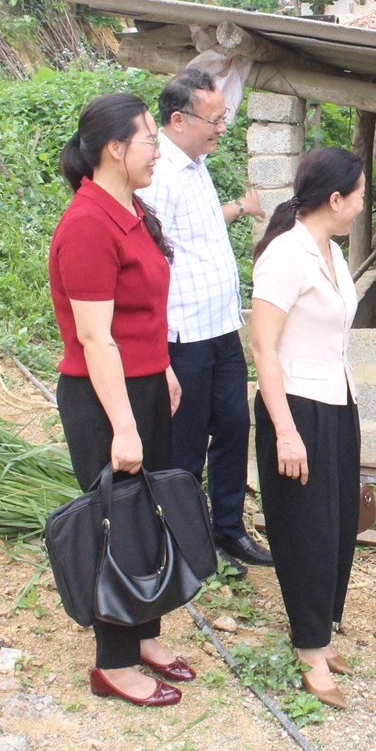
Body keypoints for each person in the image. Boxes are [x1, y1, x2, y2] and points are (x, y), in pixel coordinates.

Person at [49, 93, 195, 706]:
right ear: (115, 148)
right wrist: (124, 425)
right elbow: (93, 336)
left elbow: (141, 314)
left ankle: (143, 634)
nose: (157, 150)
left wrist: (159, 367)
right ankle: (113, 663)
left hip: (140, 383)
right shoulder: (87, 224)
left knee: (148, 512)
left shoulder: (128, 209)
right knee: (119, 523)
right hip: (102, 395)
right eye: (148, 140)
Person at [135, 68, 271, 575]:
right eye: (214, 119)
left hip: (219, 329)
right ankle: (187, 542)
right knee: (187, 444)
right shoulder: (158, 177)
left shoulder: (197, 163)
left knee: (234, 428)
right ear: (178, 119)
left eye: (224, 117)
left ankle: (229, 529)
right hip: (182, 336)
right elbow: (151, 262)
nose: (221, 128)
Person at [248, 147, 365, 710]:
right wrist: (285, 431)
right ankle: (309, 648)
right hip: (294, 406)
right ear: (335, 199)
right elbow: (263, 348)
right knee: (307, 530)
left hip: (336, 401)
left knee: (339, 524)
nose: (364, 205)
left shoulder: (332, 254)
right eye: (361, 195)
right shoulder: (284, 256)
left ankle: (321, 627)